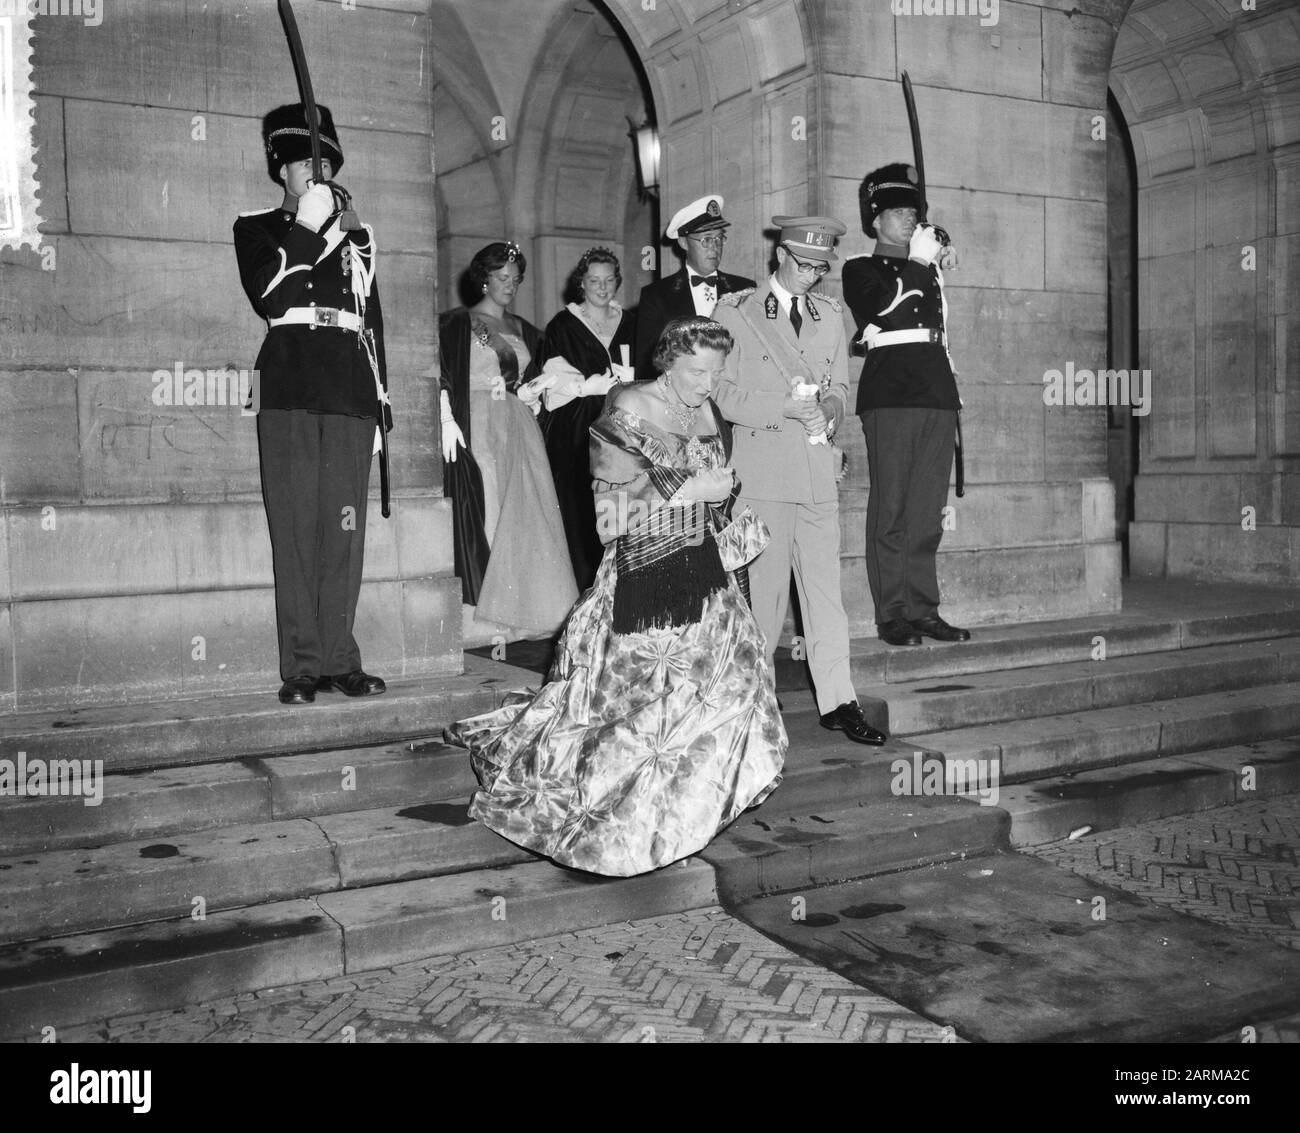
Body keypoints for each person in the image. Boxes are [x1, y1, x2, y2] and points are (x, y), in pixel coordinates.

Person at [446, 317, 786, 877]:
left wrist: (724, 492)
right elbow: (610, 514)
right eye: (697, 371)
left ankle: (686, 808)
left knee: (738, 681)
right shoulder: (625, 411)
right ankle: (624, 818)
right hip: (642, 580)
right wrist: (687, 490)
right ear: (667, 363)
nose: (707, 383)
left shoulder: (706, 410)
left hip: (701, 573)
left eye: (716, 372)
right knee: (634, 713)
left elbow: (716, 482)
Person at [233, 103, 391, 705]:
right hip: (292, 384)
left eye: (324, 163)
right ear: (282, 172)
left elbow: (370, 320)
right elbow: (273, 298)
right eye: (304, 164)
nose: (316, 174)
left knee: (344, 531)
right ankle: (301, 665)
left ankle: (340, 658)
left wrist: (382, 402)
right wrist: (307, 225)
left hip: (349, 385)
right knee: (296, 527)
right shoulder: (258, 228)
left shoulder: (359, 237)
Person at [712, 216, 886, 746]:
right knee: (763, 598)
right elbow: (719, 392)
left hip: (816, 470)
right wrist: (784, 408)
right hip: (763, 472)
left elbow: (838, 383)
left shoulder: (833, 315)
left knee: (825, 594)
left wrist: (830, 411)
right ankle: (755, 706)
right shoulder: (736, 312)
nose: (813, 275)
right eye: (804, 264)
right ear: (780, 256)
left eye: (821, 266)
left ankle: (838, 700)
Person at [843, 163, 970, 647]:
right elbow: (882, 310)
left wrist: (932, 257)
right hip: (891, 391)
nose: (906, 219)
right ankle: (892, 613)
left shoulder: (929, 266)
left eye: (912, 212)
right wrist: (918, 261)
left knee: (925, 511)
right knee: (891, 507)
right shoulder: (861, 268)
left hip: (935, 389)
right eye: (896, 212)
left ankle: (923, 608)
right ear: (874, 220)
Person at [438, 242, 578, 643]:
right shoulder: (456, 322)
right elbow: (442, 373)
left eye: (515, 280)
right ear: (484, 278)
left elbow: (538, 377)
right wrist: (445, 416)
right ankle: (487, 619)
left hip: (518, 422)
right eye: (502, 278)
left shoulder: (523, 328)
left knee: (527, 514)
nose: (509, 286)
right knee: (491, 508)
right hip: (478, 420)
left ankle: (527, 612)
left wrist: (539, 392)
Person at [531, 247, 636, 591]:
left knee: (623, 506)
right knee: (582, 511)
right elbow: (548, 381)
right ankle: (584, 594)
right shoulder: (563, 324)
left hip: (626, 429)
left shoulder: (632, 322)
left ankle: (620, 592)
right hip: (576, 432)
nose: (602, 288)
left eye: (609, 280)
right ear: (582, 283)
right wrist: (583, 385)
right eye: (594, 280)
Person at [633, 194, 755, 380]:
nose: (714, 247)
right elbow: (646, 364)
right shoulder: (656, 295)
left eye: (719, 239)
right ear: (683, 243)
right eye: (706, 240)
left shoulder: (745, 288)